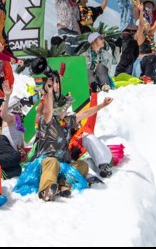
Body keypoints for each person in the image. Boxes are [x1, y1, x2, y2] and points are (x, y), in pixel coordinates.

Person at [18, 70, 112, 202]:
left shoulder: (67, 121)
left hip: (63, 164)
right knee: (52, 162)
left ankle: (62, 184)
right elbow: (47, 111)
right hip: (46, 163)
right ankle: (47, 190)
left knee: (82, 165)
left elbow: (85, 113)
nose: (66, 110)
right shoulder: (47, 121)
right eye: (64, 108)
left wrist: (102, 105)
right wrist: (49, 92)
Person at [112, 0, 143, 75]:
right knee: (126, 56)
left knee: (136, 55)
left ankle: (131, 75)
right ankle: (118, 74)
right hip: (127, 32)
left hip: (136, 32)